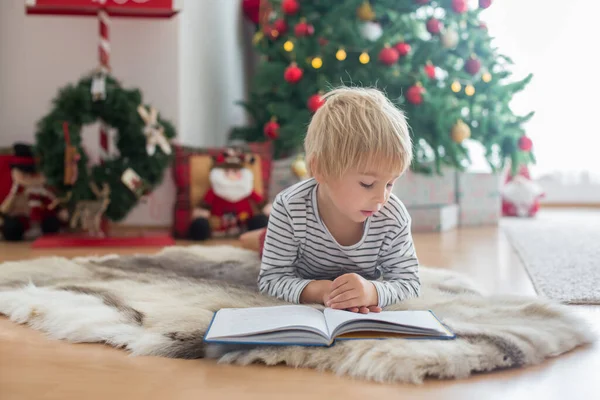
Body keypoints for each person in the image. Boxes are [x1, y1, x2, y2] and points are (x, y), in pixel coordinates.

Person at [256, 86, 420, 314]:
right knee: (261, 244)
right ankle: (257, 236)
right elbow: (271, 280)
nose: (382, 197)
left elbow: (409, 283)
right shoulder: (289, 207)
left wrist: (372, 291)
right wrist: (322, 291)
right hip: (290, 243)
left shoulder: (393, 217)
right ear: (320, 169)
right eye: (367, 184)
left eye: (390, 183)